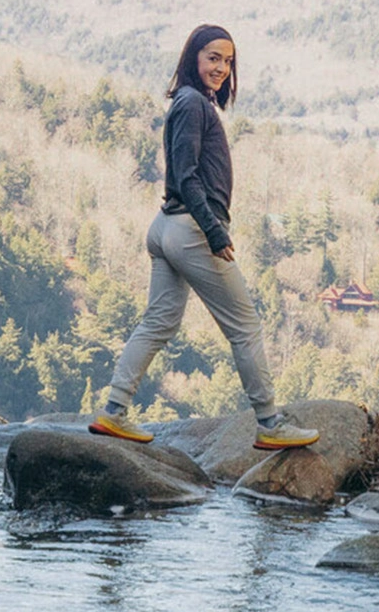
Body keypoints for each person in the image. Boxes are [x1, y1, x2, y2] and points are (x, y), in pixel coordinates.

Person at [89, 24, 319, 450]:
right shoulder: (193, 104)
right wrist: (214, 231)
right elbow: (188, 175)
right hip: (191, 229)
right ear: (193, 57)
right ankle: (270, 423)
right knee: (246, 326)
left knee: (158, 322)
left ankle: (114, 412)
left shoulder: (187, 102)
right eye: (213, 57)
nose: (221, 68)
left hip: (165, 227)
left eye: (228, 61)